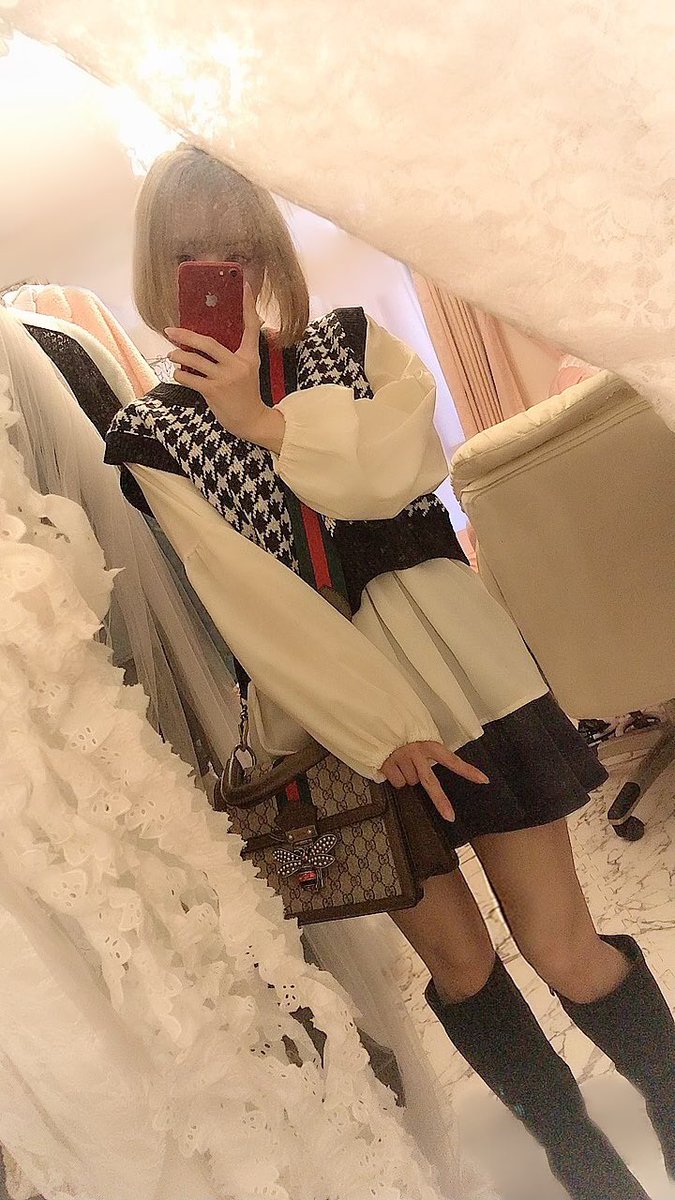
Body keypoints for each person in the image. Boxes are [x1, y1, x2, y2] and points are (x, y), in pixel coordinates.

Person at [105, 144, 674, 1200]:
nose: (220, 272)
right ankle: (581, 1163)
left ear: (268, 252)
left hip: (467, 676)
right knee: (460, 968)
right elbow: (250, 603)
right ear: (159, 270)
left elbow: (397, 475)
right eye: (192, 256)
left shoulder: (354, 345)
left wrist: (262, 422)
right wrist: (380, 730)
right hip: (338, 722)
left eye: (238, 248)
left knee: (563, 945)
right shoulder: (149, 433)